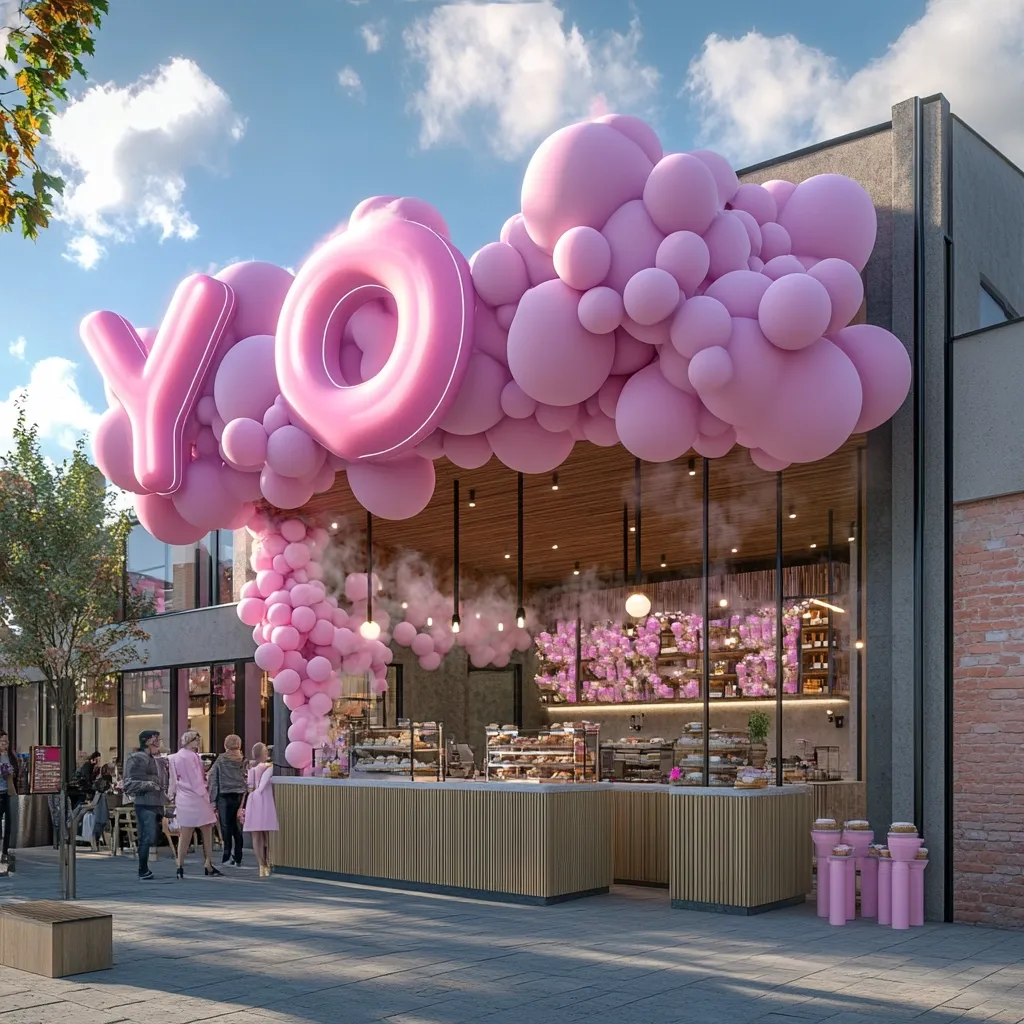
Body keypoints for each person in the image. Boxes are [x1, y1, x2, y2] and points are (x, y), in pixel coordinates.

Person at [168, 730, 222, 879]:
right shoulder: (193, 757)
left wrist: (171, 795)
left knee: (185, 833)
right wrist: (207, 797)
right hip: (197, 797)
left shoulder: (174, 757)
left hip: (183, 797)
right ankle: (208, 863)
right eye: (196, 740)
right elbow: (196, 780)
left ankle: (180, 865)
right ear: (190, 741)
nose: (198, 743)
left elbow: (173, 780)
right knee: (207, 829)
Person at [122, 731, 167, 880]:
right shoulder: (138, 758)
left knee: (150, 836)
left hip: (154, 803)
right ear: (148, 741)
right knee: (147, 837)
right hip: (145, 803)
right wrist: (151, 784)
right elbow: (129, 784)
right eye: (156, 740)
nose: (158, 743)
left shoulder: (152, 758)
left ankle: (144, 868)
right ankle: (143, 869)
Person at [207, 734, 247, 867]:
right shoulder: (243, 760)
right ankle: (239, 856)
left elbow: (212, 778)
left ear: (225, 745)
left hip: (224, 796)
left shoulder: (221, 760)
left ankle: (226, 855)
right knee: (237, 827)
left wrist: (213, 800)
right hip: (240, 796)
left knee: (226, 826)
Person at [243, 743, 278, 878]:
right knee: (266, 833)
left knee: (256, 834)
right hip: (265, 800)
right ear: (263, 754)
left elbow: (249, 786)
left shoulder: (251, 769)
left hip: (253, 801)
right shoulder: (267, 767)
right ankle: (268, 862)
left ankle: (260, 865)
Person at [0, 730, 18, 865]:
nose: (4, 744)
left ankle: (5, 851)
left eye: (6, 742)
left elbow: (16, 772)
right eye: (2, 742)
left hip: (9, 792)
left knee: (9, 824)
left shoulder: (11, 756)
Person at [85, 774, 112, 853]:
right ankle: (98, 842)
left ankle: (94, 843)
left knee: (92, 820)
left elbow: (93, 804)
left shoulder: (99, 794)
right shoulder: (105, 794)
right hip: (103, 815)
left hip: (98, 815)